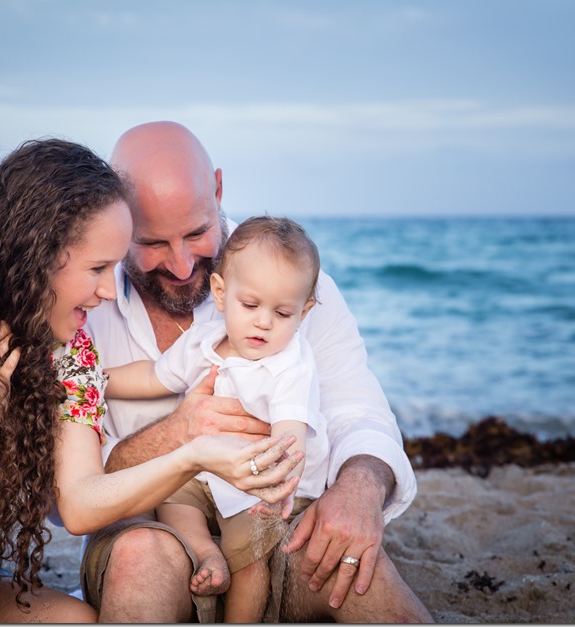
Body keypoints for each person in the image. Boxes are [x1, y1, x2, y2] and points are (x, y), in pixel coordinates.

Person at [0, 138, 301, 622]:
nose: (111, 292)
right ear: (35, 256)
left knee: (75, 620)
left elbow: (80, 503)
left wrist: (192, 453)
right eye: (97, 268)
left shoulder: (65, 342)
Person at [83, 121, 433, 622]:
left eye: (197, 233)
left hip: (279, 518)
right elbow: (75, 490)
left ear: (219, 190)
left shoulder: (292, 292)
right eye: (154, 242)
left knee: (362, 574)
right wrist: (178, 436)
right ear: (117, 220)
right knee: (141, 556)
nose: (182, 266)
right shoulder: (86, 309)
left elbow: (357, 409)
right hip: (154, 526)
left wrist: (361, 487)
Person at [105, 215, 330, 622]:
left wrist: (277, 483)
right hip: (207, 471)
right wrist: (97, 381)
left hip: (257, 482)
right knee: (172, 496)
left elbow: (290, 435)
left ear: (304, 312)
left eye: (282, 313)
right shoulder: (204, 341)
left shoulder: (291, 364)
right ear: (221, 293)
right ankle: (208, 554)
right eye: (251, 305)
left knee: (250, 555)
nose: (263, 321)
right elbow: (152, 376)